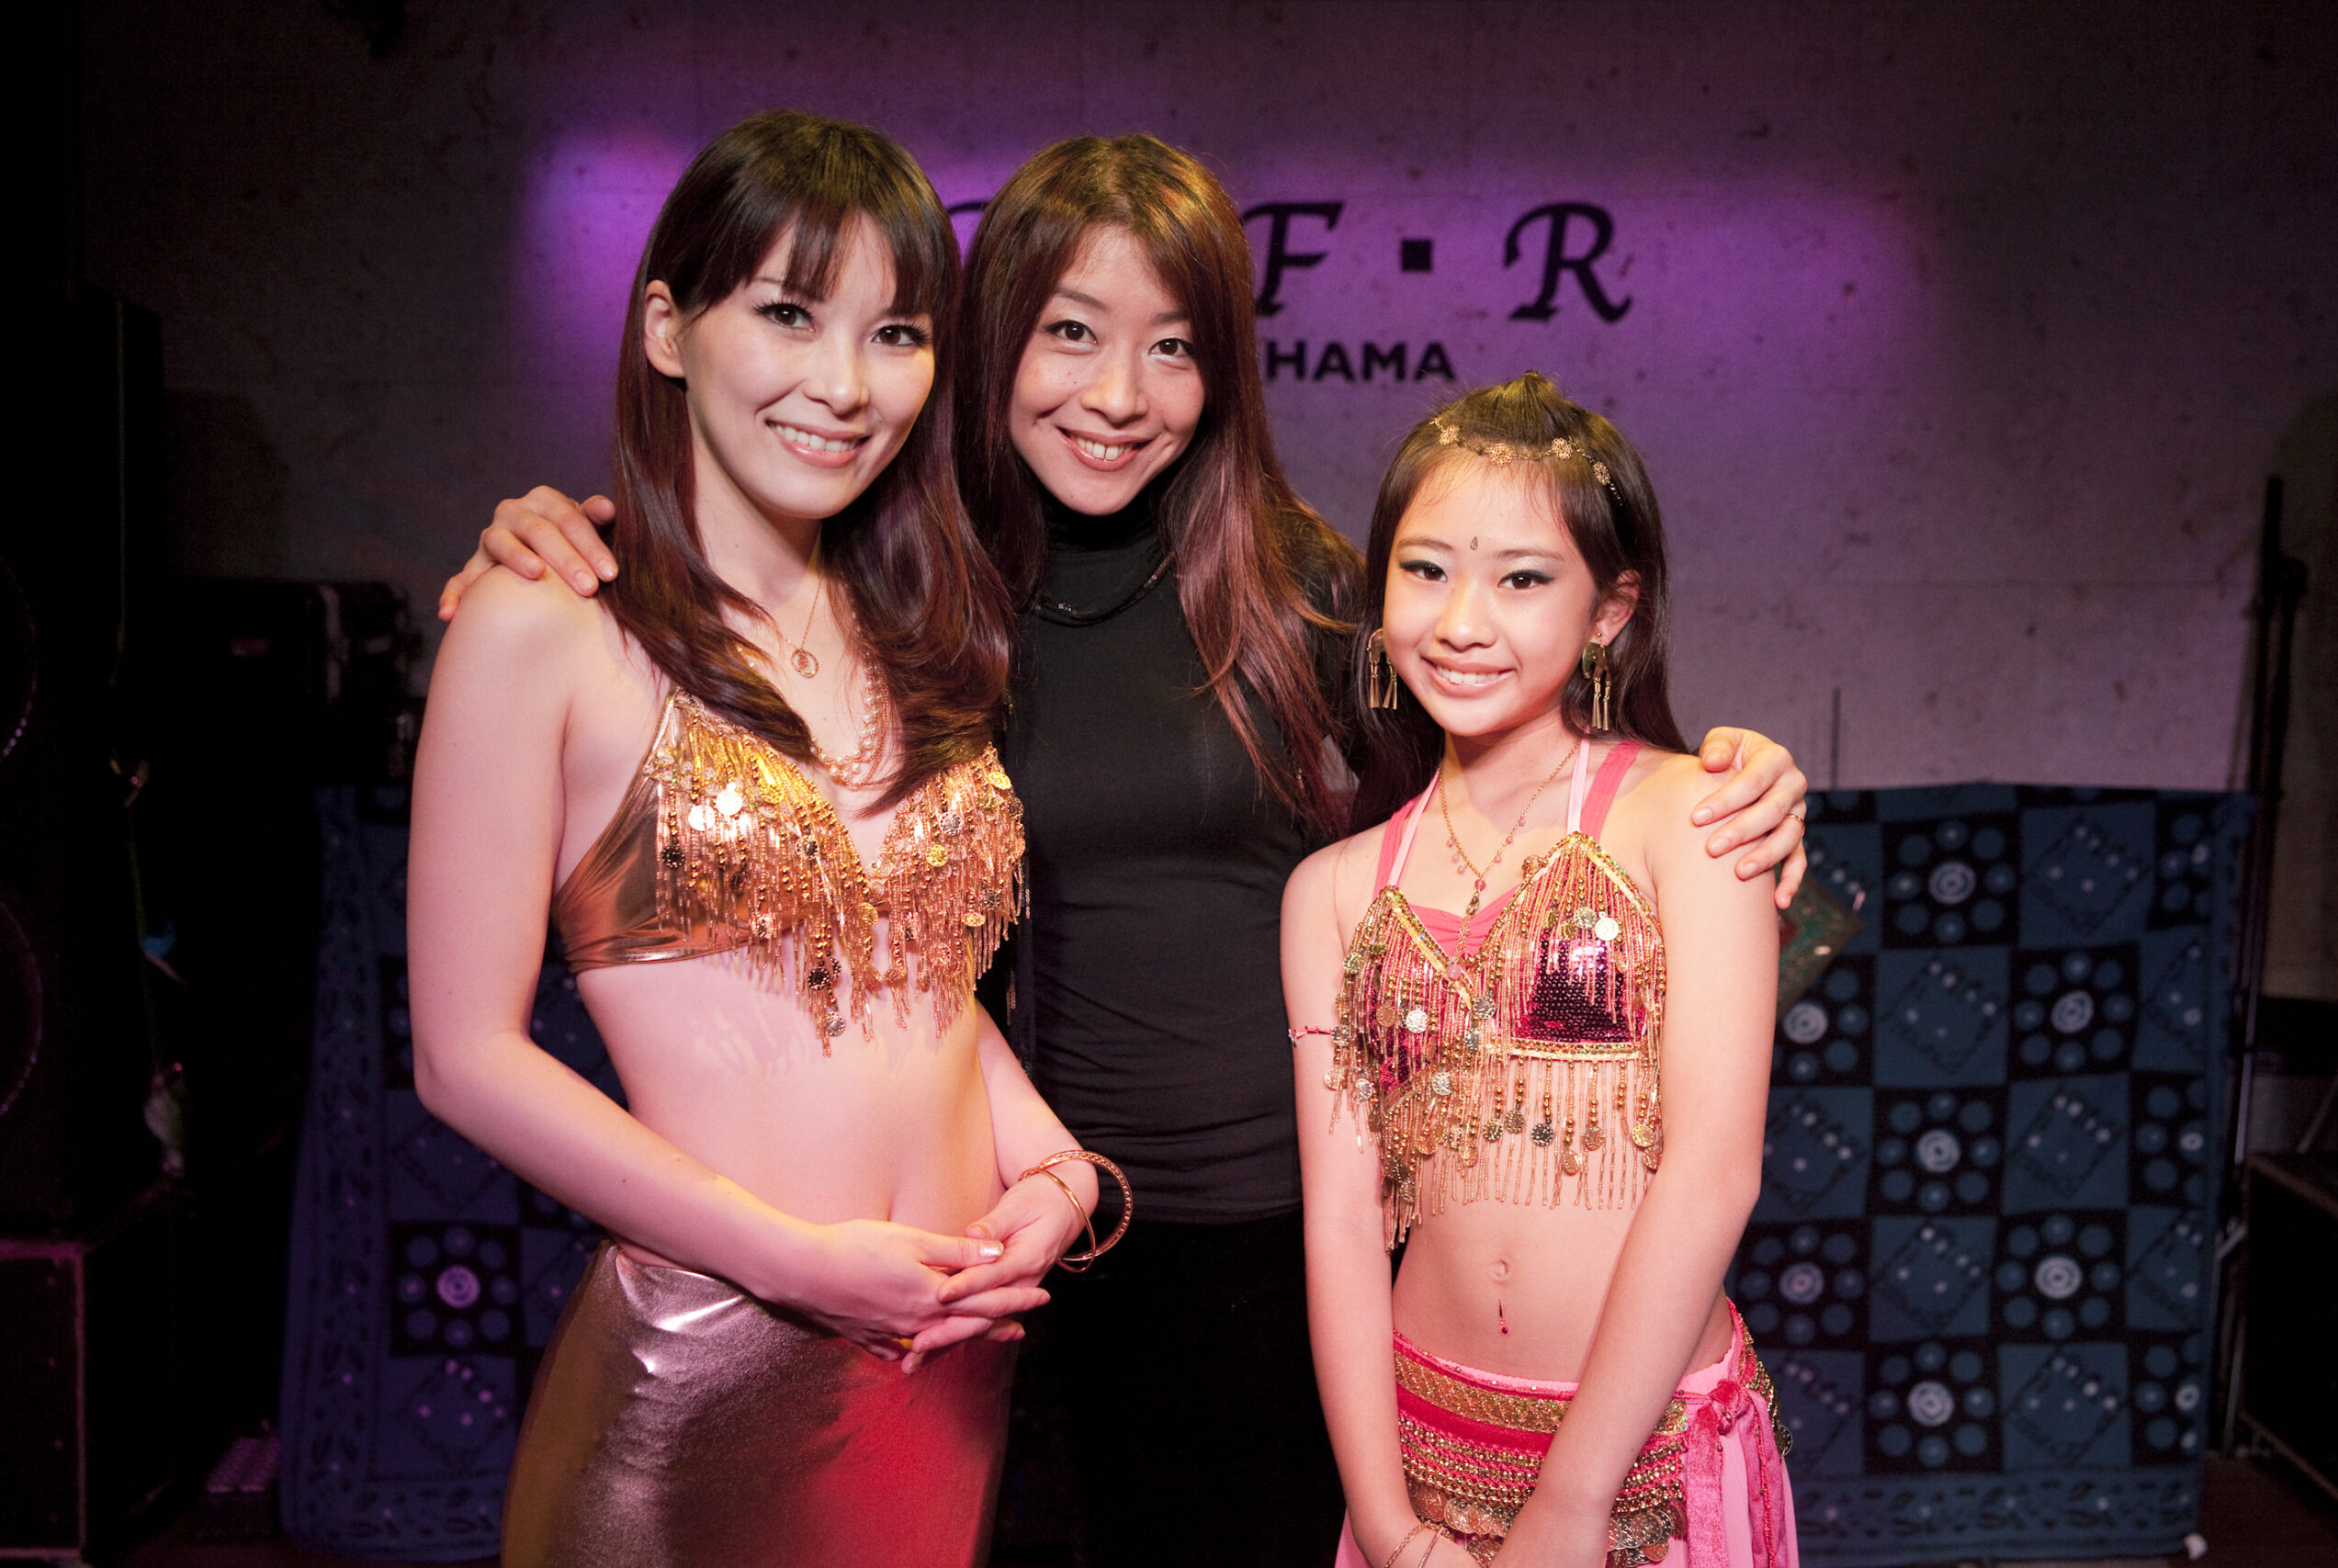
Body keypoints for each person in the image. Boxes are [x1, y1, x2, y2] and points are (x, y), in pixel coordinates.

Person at [441, 137, 1810, 1566]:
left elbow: (1503, 771)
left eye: (1173, 347)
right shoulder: (907, 590)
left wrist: (1735, 781)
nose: (1116, 396)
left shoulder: (1290, 589)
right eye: (1071, 333)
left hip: (1283, 1241)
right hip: (1010, 1238)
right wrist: (555, 546)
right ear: (986, 339)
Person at [408, 109, 1121, 1568]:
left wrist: (1053, 1172)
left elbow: (921, 984)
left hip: (946, 1360)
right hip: (713, 1365)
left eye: (895, 334)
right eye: (790, 315)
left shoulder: (916, 629)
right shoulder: (542, 628)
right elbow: (463, 1057)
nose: (844, 386)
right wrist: (793, 1262)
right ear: (668, 329)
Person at [1285, 375, 1797, 1568]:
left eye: (1521, 579)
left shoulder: (1698, 820)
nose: (1463, 621)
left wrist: (1571, 1504)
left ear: (1610, 609)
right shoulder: (1332, 892)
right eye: (1425, 570)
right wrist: (1385, 1522)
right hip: (1421, 1454)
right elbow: (1343, 1224)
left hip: (1641, 1460)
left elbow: (1715, 1173)